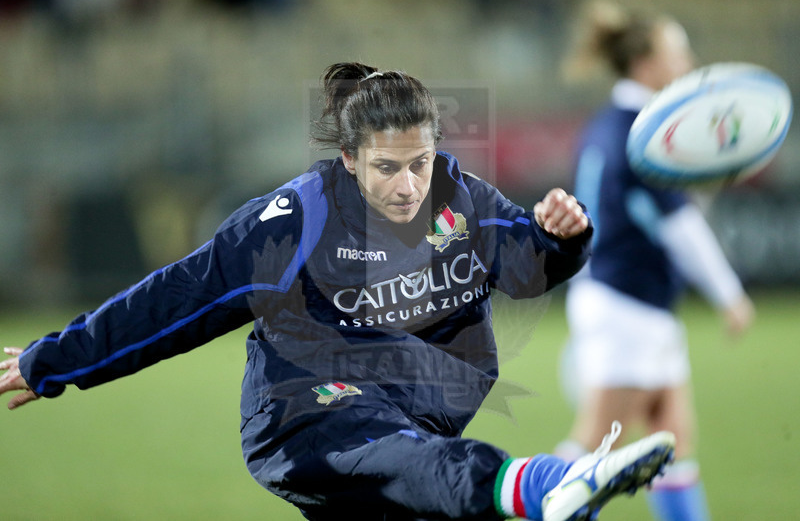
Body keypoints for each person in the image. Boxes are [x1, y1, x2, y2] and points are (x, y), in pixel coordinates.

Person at [1, 61, 676, 521]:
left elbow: (529, 264)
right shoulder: (294, 222)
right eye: (387, 167)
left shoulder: (460, 199)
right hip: (305, 420)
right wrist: (53, 361)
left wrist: (563, 237)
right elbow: (176, 300)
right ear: (350, 159)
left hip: (418, 414)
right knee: (422, 461)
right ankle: (547, 483)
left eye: (419, 162)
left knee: (418, 463)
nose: (409, 185)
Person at [555, 0, 755, 521]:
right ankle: (532, 502)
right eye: (678, 54)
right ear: (647, 66)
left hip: (629, 304)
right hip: (626, 309)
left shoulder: (613, 124)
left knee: (672, 445)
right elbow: (680, 228)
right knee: (593, 449)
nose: (687, 65)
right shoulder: (643, 136)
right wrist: (730, 295)